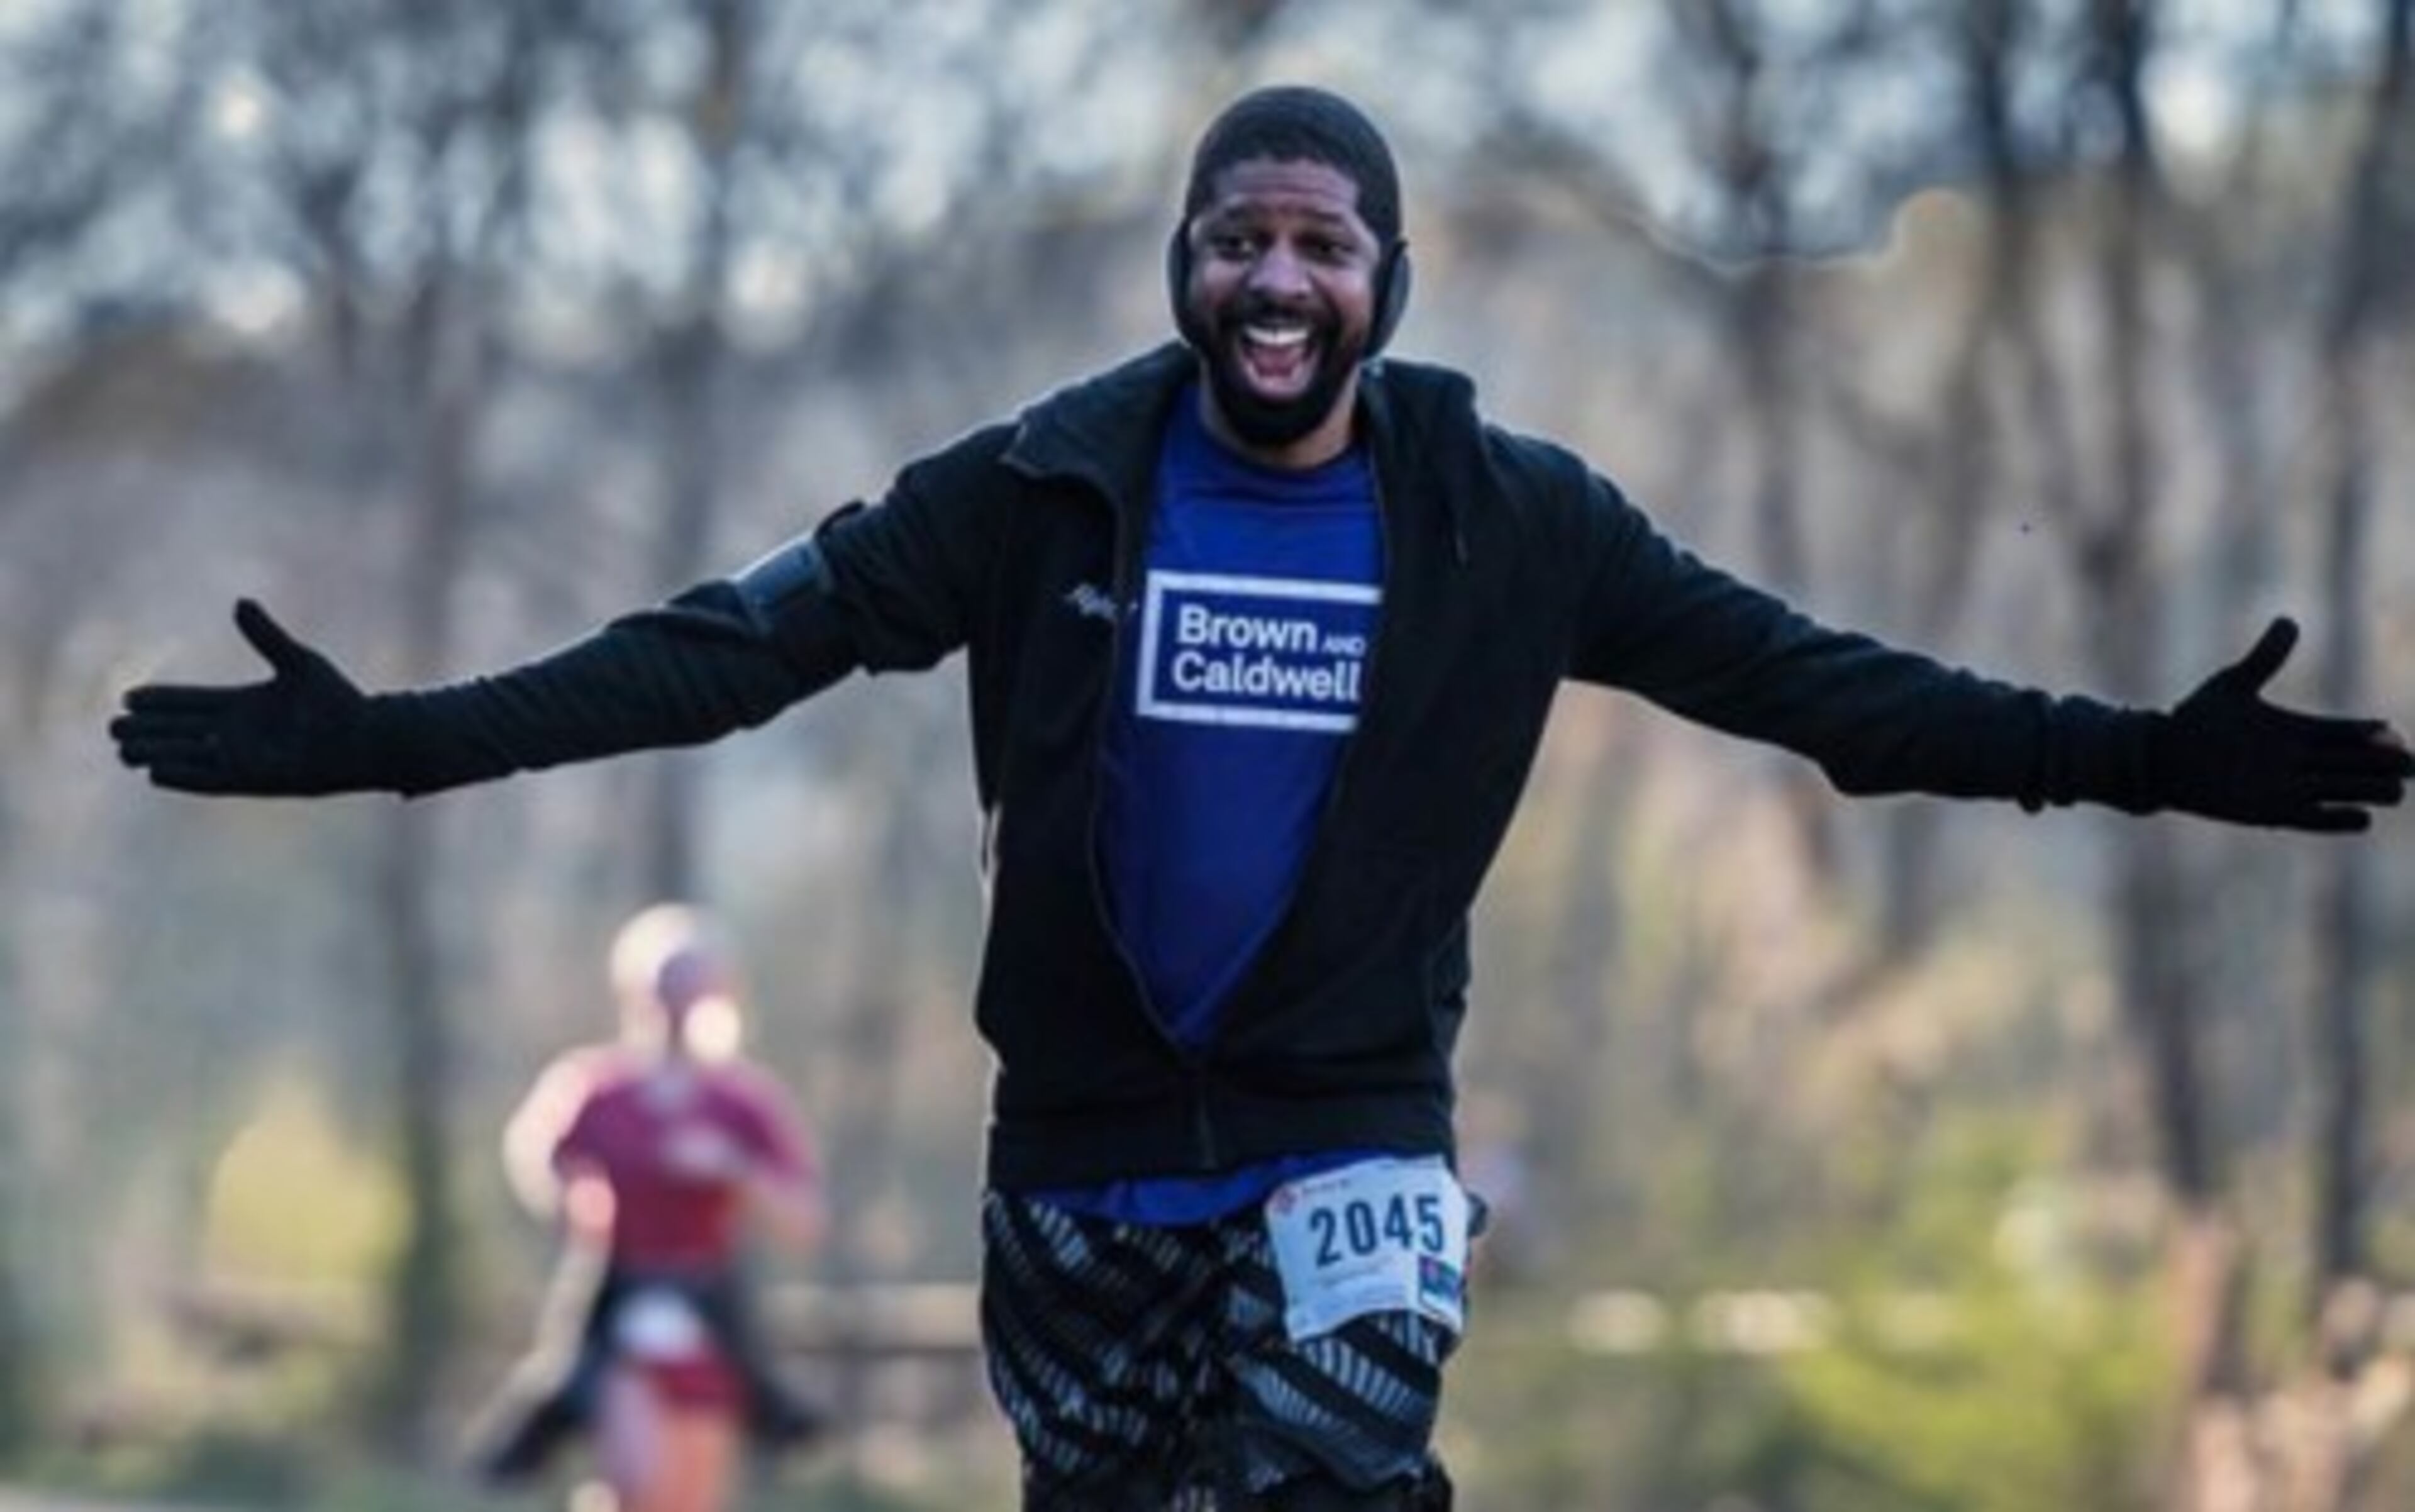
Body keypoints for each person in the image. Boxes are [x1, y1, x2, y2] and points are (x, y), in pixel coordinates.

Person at [110, 85, 2411, 1510]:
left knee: (1340, 1471)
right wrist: (399, 735)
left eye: (1322, 240)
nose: (1279, 274)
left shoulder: (1514, 520)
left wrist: (2133, 752)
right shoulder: (1039, 486)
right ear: (1188, 270)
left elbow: (1827, 690)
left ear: (1384, 280)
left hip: (1354, 1126)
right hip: (1088, 1151)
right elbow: (726, 649)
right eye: (1240, 236)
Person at [465, 903, 826, 1512]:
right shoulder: (597, 1086)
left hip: (708, 1291)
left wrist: (733, 1170)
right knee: (623, 1463)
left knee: (696, 1490)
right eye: (667, 987)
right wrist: (566, 1195)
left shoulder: (743, 1102)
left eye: (692, 987)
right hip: (620, 1281)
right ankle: (524, 1441)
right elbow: (534, 1150)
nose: (678, 1006)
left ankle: (781, 1420)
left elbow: (804, 1219)